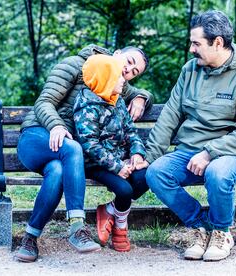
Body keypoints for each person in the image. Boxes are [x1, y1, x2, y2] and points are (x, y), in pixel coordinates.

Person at [137, 10, 236, 261]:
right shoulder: (190, 70)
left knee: (216, 172)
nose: (191, 49)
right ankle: (202, 227)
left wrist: (210, 152)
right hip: (189, 151)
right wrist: (150, 155)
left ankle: (221, 232)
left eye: (196, 43)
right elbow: (170, 115)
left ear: (218, 42)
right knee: (156, 173)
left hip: (234, 154)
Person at [15, 44, 153, 262]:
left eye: (134, 72)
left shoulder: (114, 79)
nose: (128, 71)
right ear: (116, 54)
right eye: (129, 62)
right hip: (39, 135)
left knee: (58, 171)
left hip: (67, 153)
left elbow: (136, 94)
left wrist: (141, 97)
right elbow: (44, 102)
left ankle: (30, 238)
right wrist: (56, 126)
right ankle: (77, 227)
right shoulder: (74, 65)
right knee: (72, 148)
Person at [73, 54, 149, 252]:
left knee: (145, 177)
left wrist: (137, 154)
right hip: (95, 164)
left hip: (120, 159)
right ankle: (121, 227)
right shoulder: (87, 106)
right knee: (124, 190)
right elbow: (89, 144)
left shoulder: (117, 100)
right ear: (105, 79)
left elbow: (131, 132)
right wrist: (117, 167)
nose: (125, 79)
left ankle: (108, 210)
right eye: (119, 76)